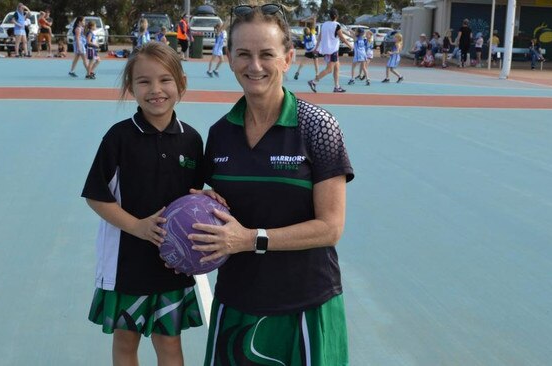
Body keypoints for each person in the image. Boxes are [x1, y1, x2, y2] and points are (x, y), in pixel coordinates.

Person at [192, 4, 354, 365]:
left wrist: (250, 239)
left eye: (267, 54)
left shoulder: (318, 127)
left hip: (305, 306)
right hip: (236, 303)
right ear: (230, 58)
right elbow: (216, 203)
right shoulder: (220, 133)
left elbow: (331, 227)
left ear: (288, 58)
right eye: (244, 54)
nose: (255, 66)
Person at [82, 42, 206, 366]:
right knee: (126, 342)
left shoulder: (191, 139)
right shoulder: (119, 138)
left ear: (181, 83)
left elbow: (196, 194)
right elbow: (97, 195)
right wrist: (137, 226)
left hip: (173, 263)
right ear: (130, 87)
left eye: (165, 80)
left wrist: (211, 199)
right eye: (144, 81)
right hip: (128, 262)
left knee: (170, 343)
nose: (156, 90)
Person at [308, 8, 353, 93]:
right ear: (336, 16)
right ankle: (313, 81)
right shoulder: (336, 25)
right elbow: (342, 37)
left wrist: (316, 48)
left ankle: (337, 86)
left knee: (337, 67)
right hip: (333, 50)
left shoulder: (324, 24)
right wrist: (350, 45)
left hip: (327, 50)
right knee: (329, 70)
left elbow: (320, 37)